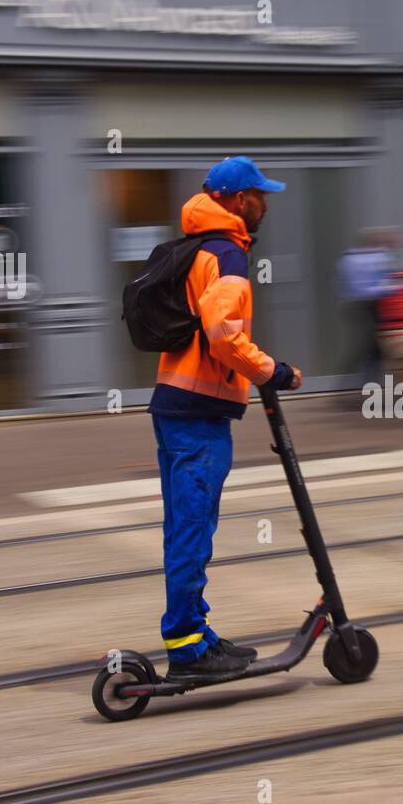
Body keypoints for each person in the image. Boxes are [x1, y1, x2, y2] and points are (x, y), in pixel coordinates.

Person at [147, 156, 303, 683]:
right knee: (193, 526)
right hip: (197, 413)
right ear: (239, 200)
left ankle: (193, 629)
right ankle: (188, 647)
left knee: (184, 525)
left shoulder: (195, 248)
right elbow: (223, 336)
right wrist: (271, 372)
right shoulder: (227, 256)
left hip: (173, 404)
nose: (265, 204)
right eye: (261, 196)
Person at [336, 227, 400, 383]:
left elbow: (342, 283)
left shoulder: (347, 259)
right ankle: (359, 384)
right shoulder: (377, 258)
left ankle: (360, 383)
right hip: (368, 306)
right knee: (371, 348)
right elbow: (378, 285)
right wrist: (398, 288)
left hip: (355, 306)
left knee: (370, 348)